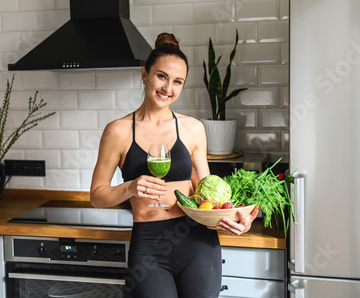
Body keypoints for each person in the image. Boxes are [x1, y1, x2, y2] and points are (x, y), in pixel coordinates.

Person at [90, 33, 260, 297]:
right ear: (145, 74)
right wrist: (130, 187)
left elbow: (207, 194)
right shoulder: (118, 131)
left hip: (198, 243)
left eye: (177, 81)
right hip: (148, 247)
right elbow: (97, 196)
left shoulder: (193, 129)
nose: (168, 88)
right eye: (161, 76)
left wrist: (236, 220)